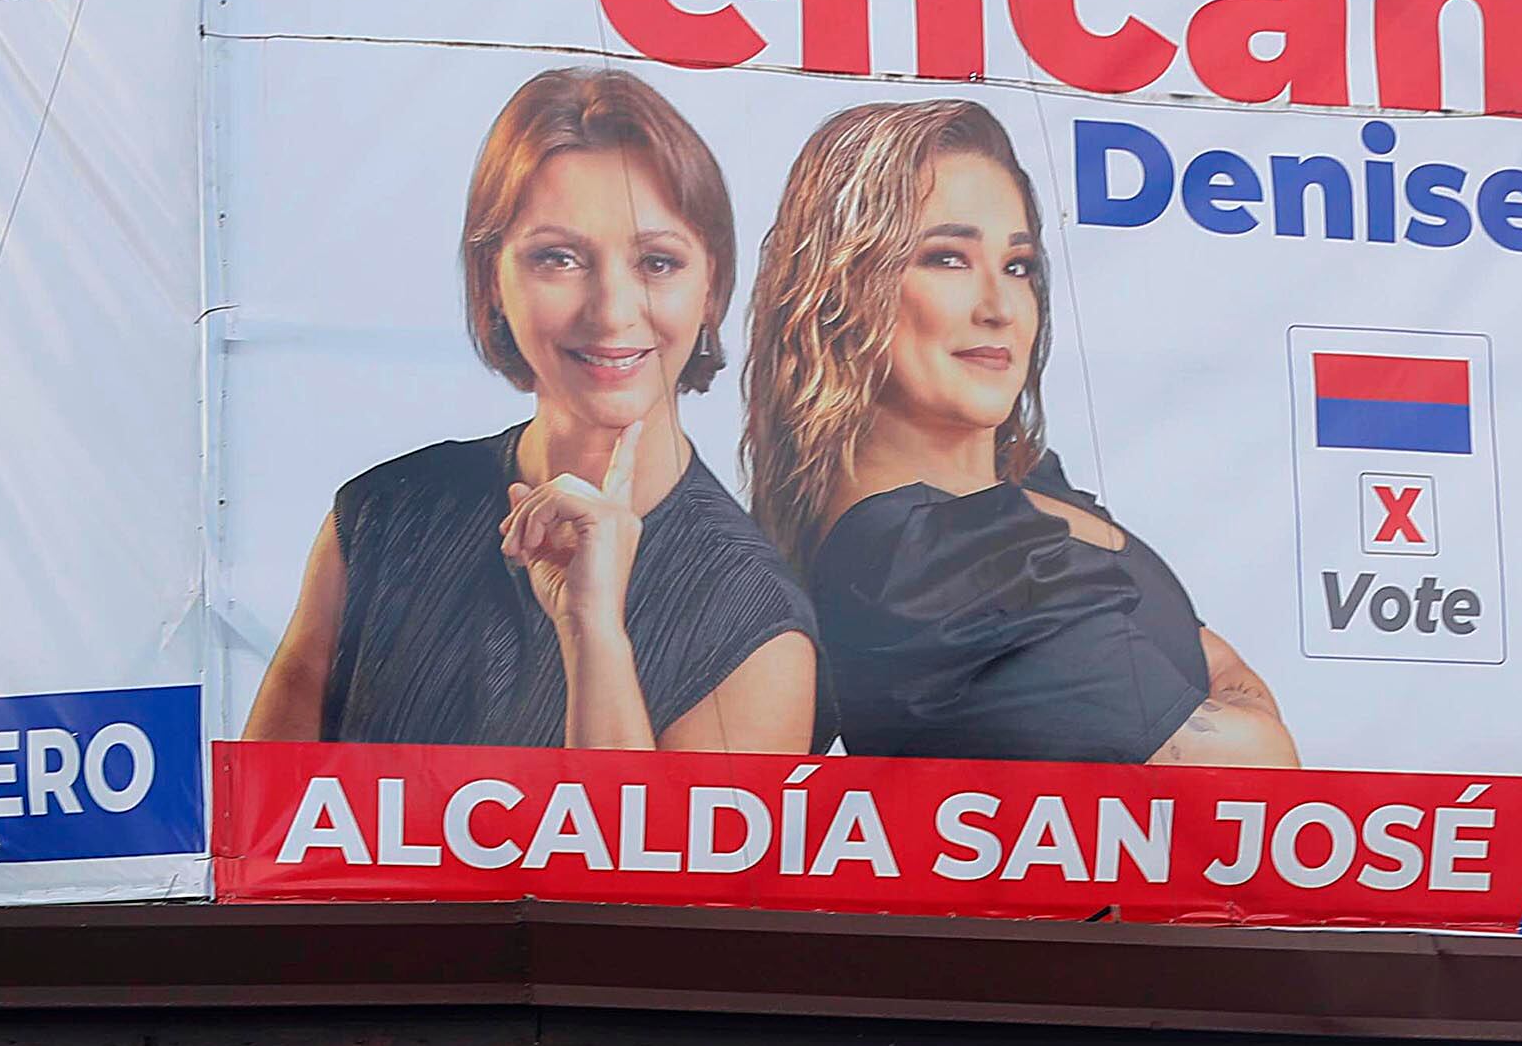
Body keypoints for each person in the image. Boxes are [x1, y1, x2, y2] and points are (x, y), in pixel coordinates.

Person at [244, 66, 816, 753]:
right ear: (492, 278)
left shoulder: (754, 620)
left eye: (657, 263)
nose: (611, 311)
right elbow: (262, 839)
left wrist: (592, 633)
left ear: (713, 288)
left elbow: (648, 863)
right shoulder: (379, 517)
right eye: (560, 258)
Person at [742, 99, 1296, 767]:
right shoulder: (919, 563)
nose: (1000, 307)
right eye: (947, 258)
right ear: (840, 289)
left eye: (1018, 266)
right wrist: (1237, 698)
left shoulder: (1022, 485)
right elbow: (1253, 766)